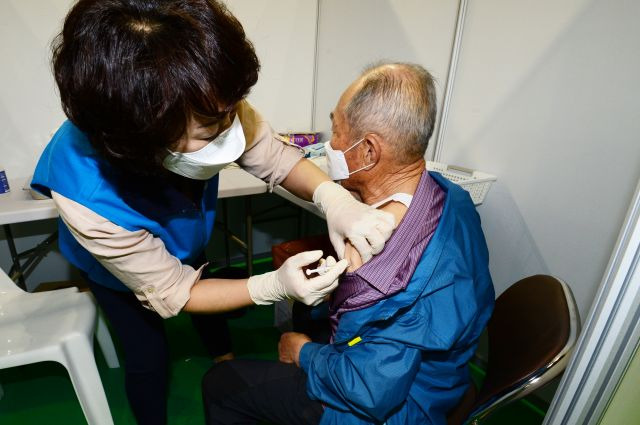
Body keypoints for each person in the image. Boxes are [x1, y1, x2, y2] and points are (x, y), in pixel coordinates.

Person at [30, 1, 396, 424]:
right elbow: (174, 290)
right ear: (143, 137)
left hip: (190, 241)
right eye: (211, 128)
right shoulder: (87, 197)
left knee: (210, 291)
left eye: (231, 111)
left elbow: (275, 158)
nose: (231, 128)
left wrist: (335, 199)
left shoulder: (206, 95)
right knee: (147, 355)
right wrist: (272, 286)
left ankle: (224, 360)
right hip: (115, 274)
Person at [202, 62, 495, 425]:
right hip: (444, 379)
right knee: (308, 314)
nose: (330, 144)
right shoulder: (452, 198)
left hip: (393, 409)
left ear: (369, 151)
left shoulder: (377, 265)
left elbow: (371, 391)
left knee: (222, 382)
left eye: (337, 130)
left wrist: (304, 353)